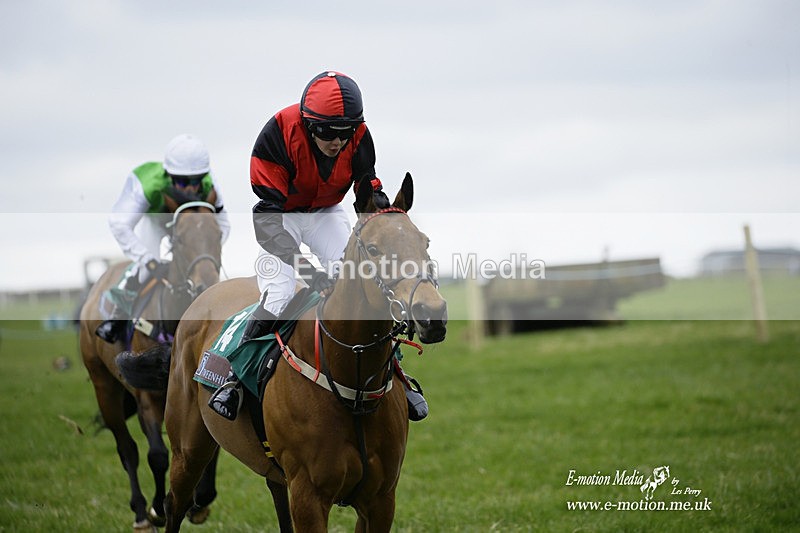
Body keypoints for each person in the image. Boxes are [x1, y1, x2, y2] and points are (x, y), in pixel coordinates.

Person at [208, 71, 427, 421]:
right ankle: (233, 380)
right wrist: (308, 269)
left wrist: (383, 214)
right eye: (328, 133)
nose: (337, 142)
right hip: (281, 218)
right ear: (309, 124)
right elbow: (266, 221)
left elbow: (365, 186)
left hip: (326, 211)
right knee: (279, 295)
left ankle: (397, 374)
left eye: (345, 133)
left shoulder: (358, 135)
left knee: (361, 283)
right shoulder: (276, 136)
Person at [95, 134, 231, 343]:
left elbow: (222, 225)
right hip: (156, 221)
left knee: (207, 270)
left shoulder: (209, 182)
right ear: (169, 175)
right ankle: (118, 317)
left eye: (195, 181)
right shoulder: (147, 184)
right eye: (182, 181)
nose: (190, 188)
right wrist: (148, 261)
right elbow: (119, 223)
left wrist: (204, 253)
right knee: (144, 268)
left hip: (194, 226)